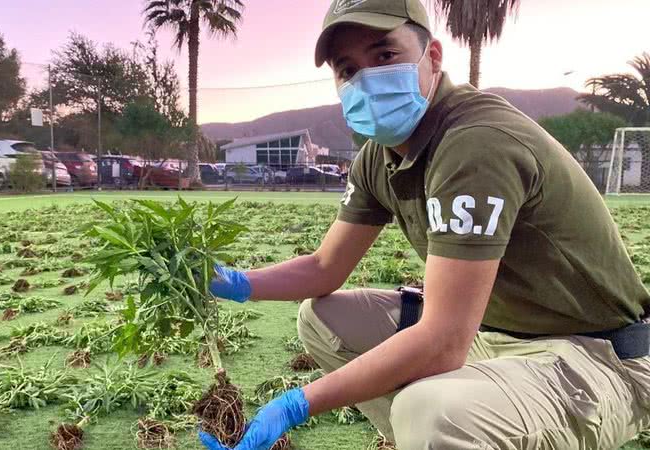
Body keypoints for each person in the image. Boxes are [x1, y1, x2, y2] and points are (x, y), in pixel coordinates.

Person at [199, 0, 650, 449]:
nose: (366, 79)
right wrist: (231, 282)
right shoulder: (380, 155)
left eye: (385, 56)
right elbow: (324, 269)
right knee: (323, 319)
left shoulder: (475, 144)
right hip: (495, 334)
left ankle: (447, 434)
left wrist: (296, 404)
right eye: (348, 69)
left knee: (430, 413)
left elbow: (444, 341)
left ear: (432, 57)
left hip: (597, 354)